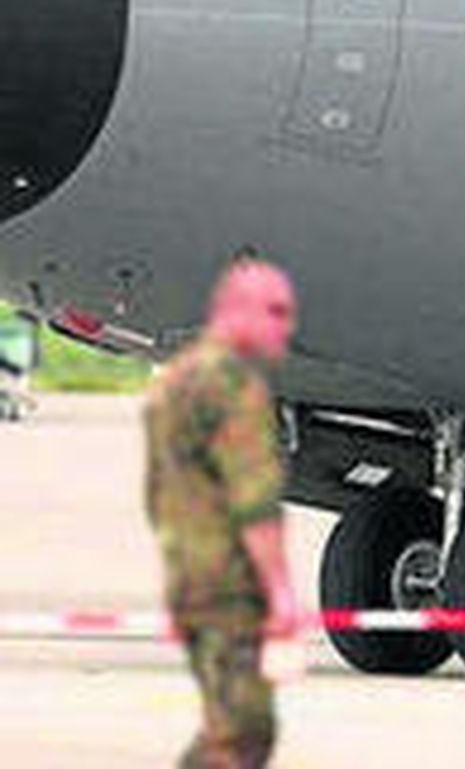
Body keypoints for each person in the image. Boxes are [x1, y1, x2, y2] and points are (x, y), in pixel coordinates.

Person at [145, 254, 301, 768]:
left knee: (226, 727)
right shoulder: (234, 388)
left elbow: (161, 494)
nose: (285, 327)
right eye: (275, 312)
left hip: (191, 576)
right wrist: (279, 594)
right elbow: (254, 505)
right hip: (228, 585)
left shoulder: (176, 382)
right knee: (242, 730)